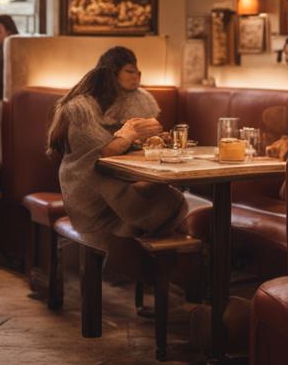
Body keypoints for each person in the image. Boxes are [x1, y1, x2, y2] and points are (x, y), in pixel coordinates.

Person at [46, 47, 186, 250]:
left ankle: (141, 269)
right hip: (87, 190)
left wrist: (150, 140)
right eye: (129, 71)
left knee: (169, 196)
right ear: (112, 73)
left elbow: (123, 147)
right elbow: (103, 152)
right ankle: (134, 267)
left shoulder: (139, 100)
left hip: (117, 182)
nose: (136, 76)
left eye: (138, 71)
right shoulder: (81, 108)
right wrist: (129, 134)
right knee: (168, 200)